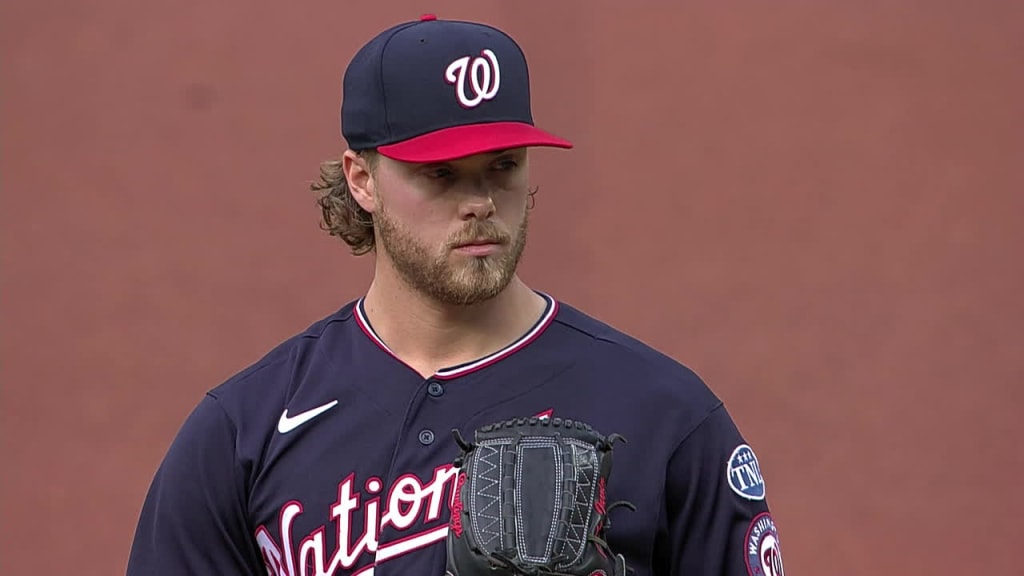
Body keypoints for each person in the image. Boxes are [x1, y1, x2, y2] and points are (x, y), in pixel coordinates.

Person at [126, 14, 784, 576]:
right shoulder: (245, 430)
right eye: (440, 174)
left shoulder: (662, 413)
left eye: (503, 167)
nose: (479, 204)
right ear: (362, 179)